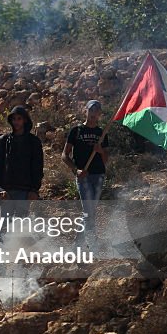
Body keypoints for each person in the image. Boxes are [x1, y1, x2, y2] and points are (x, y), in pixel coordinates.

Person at [63, 100, 109, 237]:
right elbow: (64, 155)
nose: (93, 114)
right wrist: (75, 170)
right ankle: (87, 243)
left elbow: (106, 159)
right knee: (88, 211)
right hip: (83, 176)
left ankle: (83, 243)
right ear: (86, 111)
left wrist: (100, 151)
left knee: (91, 211)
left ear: (100, 114)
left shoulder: (102, 133)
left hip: (99, 175)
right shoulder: (76, 131)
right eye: (91, 110)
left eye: (96, 111)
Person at [0, 105, 44, 205]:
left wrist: (34, 190)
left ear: (24, 120)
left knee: (21, 220)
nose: (16, 122)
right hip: (6, 190)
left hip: (24, 190)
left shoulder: (33, 141)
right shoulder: (4, 141)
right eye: (14, 119)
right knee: (5, 220)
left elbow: (38, 166)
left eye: (19, 119)